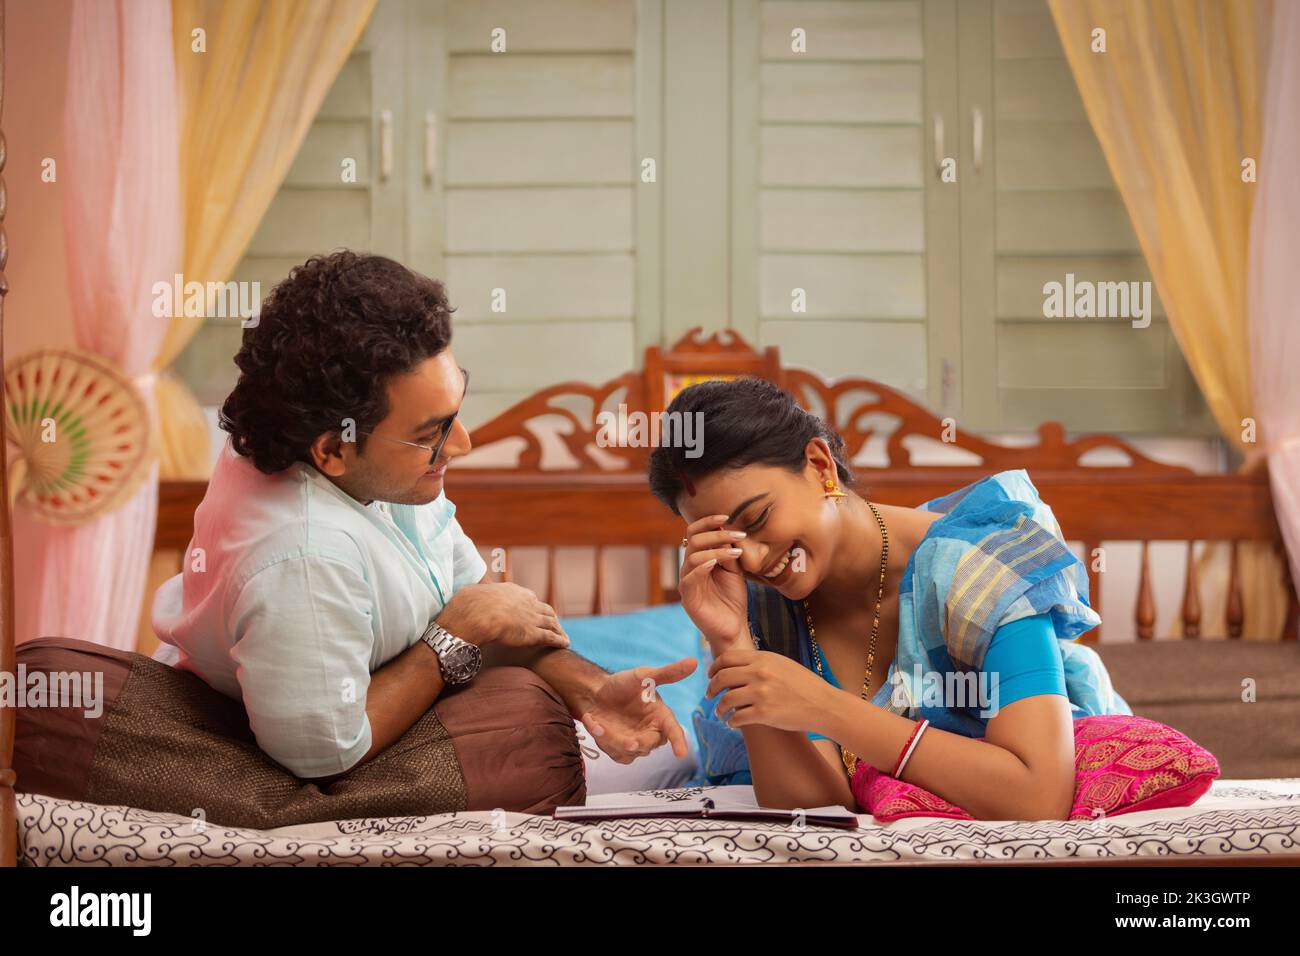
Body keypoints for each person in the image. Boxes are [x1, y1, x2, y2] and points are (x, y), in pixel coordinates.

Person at [151, 250, 692, 780]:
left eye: (454, 413)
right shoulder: (302, 557)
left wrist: (593, 688)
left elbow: (483, 602)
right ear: (332, 451)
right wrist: (451, 636)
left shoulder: (383, 473)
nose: (462, 444)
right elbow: (327, 752)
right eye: (431, 433)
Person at [647, 376, 1131, 820]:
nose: (751, 560)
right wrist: (733, 642)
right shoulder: (762, 609)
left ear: (819, 467)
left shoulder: (981, 564)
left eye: (756, 520)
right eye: (727, 545)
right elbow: (811, 810)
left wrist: (825, 707)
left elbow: (1038, 797)